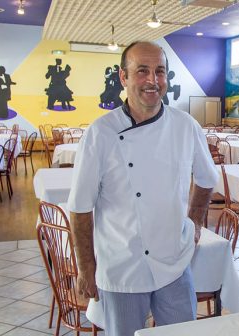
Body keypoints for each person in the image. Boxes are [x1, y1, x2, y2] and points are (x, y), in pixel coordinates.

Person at [68, 41, 218, 336]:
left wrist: (196, 221)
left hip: (174, 262)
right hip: (122, 265)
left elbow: (207, 178)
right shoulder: (100, 133)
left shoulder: (185, 126)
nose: (153, 80)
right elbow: (80, 208)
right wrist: (86, 268)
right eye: (142, 72)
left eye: (159, 71)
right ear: (123, 78)